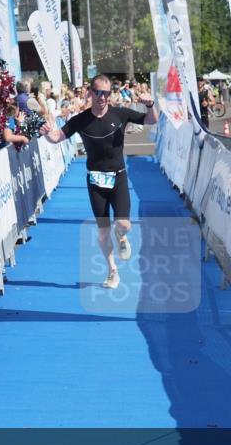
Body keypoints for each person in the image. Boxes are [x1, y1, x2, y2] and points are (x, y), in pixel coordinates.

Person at [40, 74, 157, 289]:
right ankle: (112, 270)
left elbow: (151, 121)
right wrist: (47, 134)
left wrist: (150, 105)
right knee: (103, 231)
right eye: (98, 93)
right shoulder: (81, 119)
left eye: (106, 93)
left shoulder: (120, 114)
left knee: (124, 224)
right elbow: (57, 137)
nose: (102, 97)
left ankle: (121, 235)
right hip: (95, 180)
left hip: (118, 177)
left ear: (110, 95)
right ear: (90, 93)